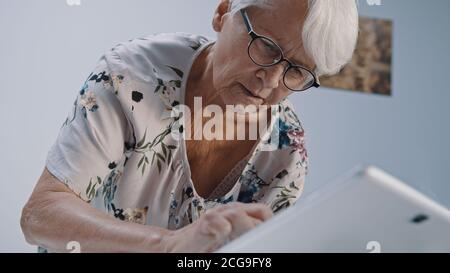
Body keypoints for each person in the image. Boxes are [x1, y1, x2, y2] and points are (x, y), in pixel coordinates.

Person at [21, 0, 359, 252]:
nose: (270, 79)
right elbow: (41, 215)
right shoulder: (130, 76)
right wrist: (170, 246)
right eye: (267, 46)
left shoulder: (287, 155)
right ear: (223, 11)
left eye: (296, 71)